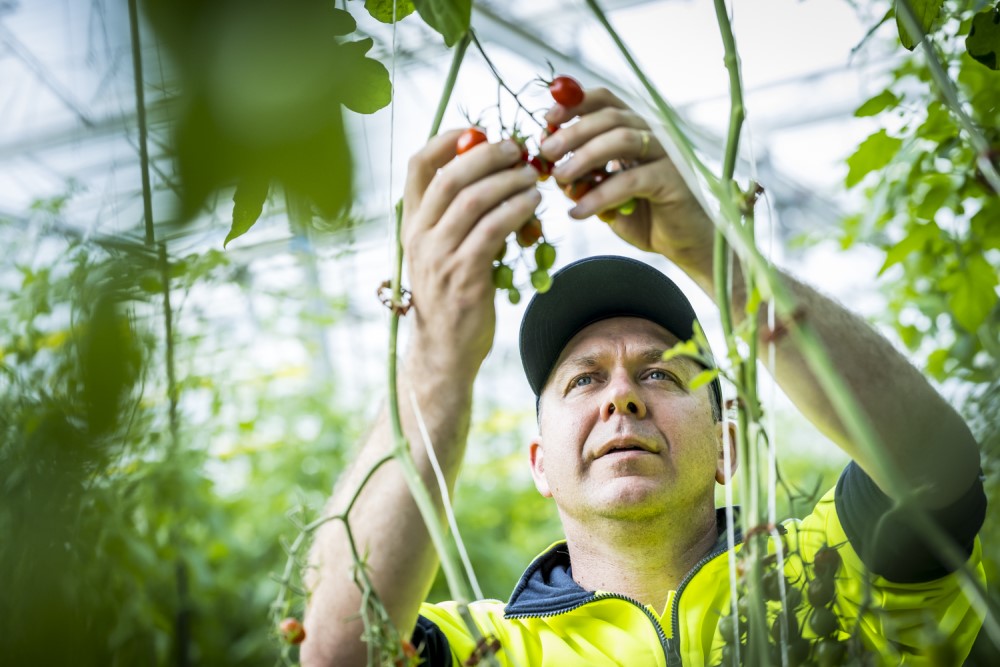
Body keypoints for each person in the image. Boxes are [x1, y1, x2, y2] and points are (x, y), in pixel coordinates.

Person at [301, 88, 987, 666]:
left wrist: (719, 256)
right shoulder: (493, 647)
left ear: (727, 446)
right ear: (540, 464)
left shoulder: (819, 578)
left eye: (660, 373)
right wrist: (437, 358)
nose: (622, 394)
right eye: (582, 380)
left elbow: (935, 468)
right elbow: (339, 651)